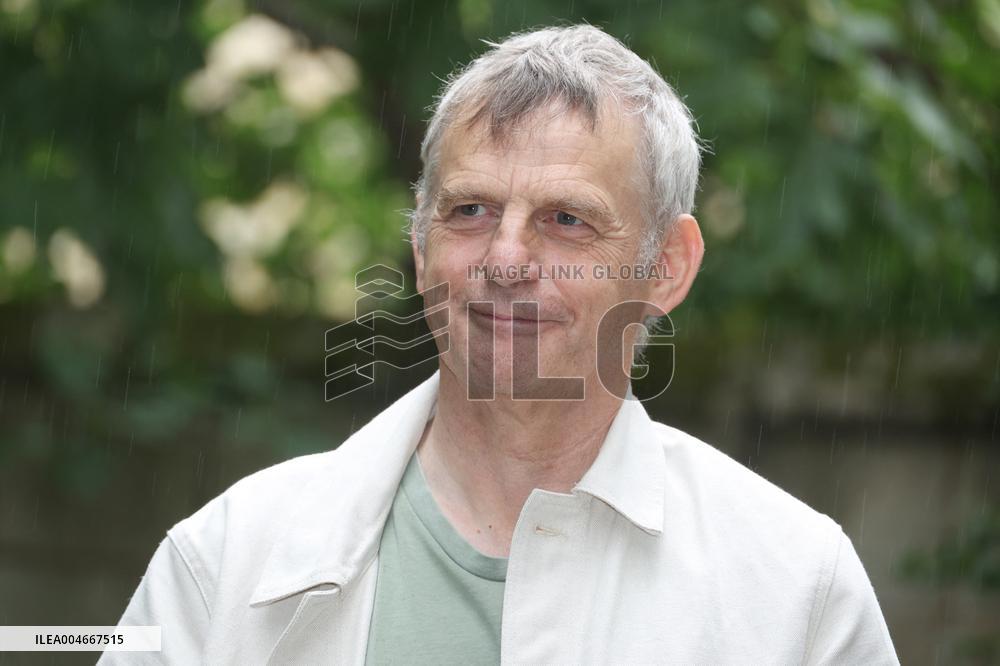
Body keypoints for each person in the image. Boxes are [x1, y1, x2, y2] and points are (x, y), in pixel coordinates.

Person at [100, 23, 899, 665]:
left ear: (667, 267)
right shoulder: (225, 560)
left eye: (566, 220)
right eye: (470, 211)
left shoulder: (794, 591)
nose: (506, 259)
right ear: (420, 248)